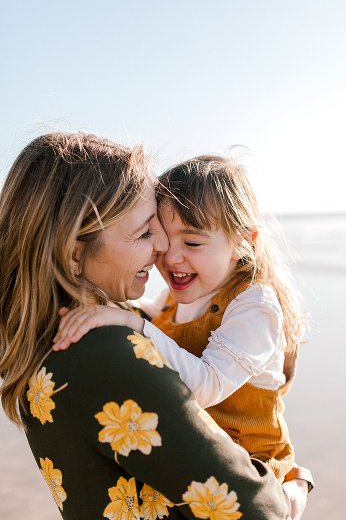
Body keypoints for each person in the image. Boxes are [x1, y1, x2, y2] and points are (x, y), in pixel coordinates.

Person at [0, 133, 299, 519]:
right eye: (146, 231)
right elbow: (261, 510)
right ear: (75, 255)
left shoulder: (44, 340)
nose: (163, 249)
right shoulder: (106, 351)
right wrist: (293, 484)